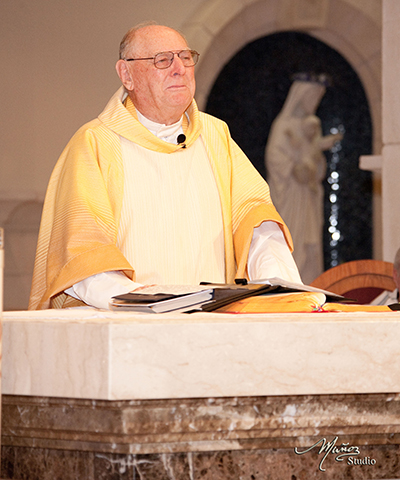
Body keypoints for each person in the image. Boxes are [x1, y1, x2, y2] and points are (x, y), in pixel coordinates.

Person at [29, 22, 302, 310]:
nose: (179, 68)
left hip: (211, 327)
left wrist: (283, 291)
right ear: (126, 74)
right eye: (162, 60)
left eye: (185, 58)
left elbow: (257, 222)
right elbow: (82, 252)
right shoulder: (96, 144)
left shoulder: (215, 136)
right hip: (131, 329)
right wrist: (146, 302)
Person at [265, 78, 342, 284]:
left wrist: (315, 167)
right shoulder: (283, 125)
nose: (313, 102)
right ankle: (289, 282)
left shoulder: (312, 125)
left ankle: (310, 282)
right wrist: (293, 167)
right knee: (293, 238)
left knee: (311, 242)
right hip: (289, 194)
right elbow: (274, 156)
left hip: (308, 194)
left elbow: (317, 157)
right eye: (311, 97)